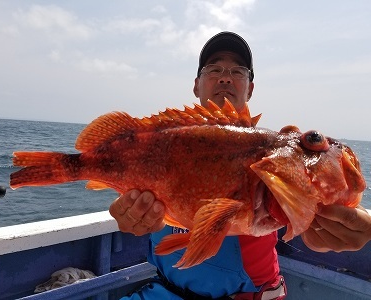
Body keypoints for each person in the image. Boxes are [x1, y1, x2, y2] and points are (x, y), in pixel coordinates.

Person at [109, 32, 371, 299]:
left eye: (238, 70)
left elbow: (312, 197)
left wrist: (341, 226)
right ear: (197, 85)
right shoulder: (164, 146)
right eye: (214, 69)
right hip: (165, 290)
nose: (225, 77)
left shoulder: (271, 153)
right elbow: (133, 210)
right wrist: (130, 218)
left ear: (250, 88)